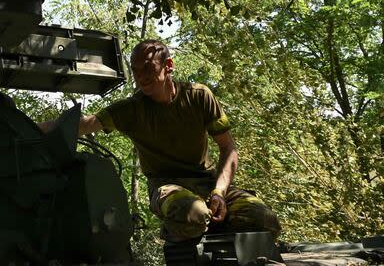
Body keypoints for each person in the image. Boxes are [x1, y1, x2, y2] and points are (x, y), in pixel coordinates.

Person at [41, 39, 281, 242]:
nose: (141, 77)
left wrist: (219, 192)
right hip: (167, 189)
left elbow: (228, 148)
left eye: (147, 68)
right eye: (135, 71)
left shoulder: (199, 97)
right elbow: (85, 124)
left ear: (168, 66)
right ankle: (180, 233)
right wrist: (27, 127)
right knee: (193, 214)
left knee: (264, 219)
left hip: (209, 185)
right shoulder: (132, 110)